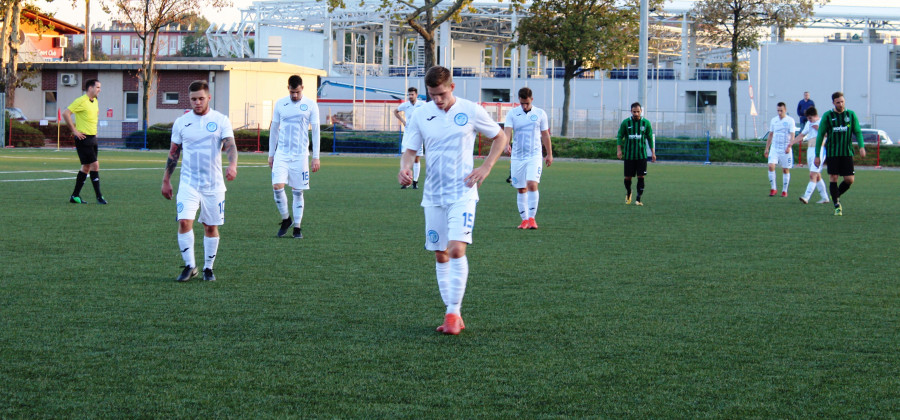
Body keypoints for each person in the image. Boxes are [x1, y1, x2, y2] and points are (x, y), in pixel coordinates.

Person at [397, 66, 509, 335]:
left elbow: (500, 137)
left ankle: (452, 313)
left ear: (452, 87)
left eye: (442, 94)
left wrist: (486, 167)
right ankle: (452, 312)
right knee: (441, 253)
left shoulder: (471, 110)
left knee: (457, 249)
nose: (437, 99)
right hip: (433, 195)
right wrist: (405, 168)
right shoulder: (421, 114)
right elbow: (410, 150)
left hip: (463, 192)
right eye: (432, 94)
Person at [161, 80, 238, 282]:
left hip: (213, 184)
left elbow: (230, 145)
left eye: (201, 98)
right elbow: (173, 153)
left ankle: (208, 268)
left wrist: (232, 165)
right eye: (193, 99)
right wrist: (166, 180)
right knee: (184, 221)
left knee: (210, 227)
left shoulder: (221, 120)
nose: (197, 102)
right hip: (189, 182)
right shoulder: (181, 122)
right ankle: (190, 266)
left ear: (209, 98)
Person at [269, 75, 321, 239]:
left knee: (298, 191)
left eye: (297, 92)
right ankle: (286, 219)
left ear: (302, 88)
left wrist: (316, 157)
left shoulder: (311, 105)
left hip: (300, 155)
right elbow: (274, 129)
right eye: (292, 92)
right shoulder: (280, 104)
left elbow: (316, 131)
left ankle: (297, 226)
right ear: (288, 89)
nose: (295, 95)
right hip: (282, 153)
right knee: (277, 186)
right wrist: (271, 154)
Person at [504, 87, 552, 229]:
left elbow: (545, 134)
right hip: (517, 156)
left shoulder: (540, 113)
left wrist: (549, 153)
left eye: (527, 103)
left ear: (532, 99)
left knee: (532, 183)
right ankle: (524, 220)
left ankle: (532, 218)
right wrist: (506, 144)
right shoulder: (512, 113)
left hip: (534, 155)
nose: (524, 106)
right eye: (522, 103)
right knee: (521, 188)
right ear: (519, 100)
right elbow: (507, 131)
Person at [814, 91, 866, 216]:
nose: (841, 104)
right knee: (834, 177)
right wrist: (817, 155)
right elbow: (820, 135)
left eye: (842, 101)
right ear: (833, 103)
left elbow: (858, 132)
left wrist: (861, 147)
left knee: (849, 180)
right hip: (833, 153)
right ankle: (837, 205)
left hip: (847, 152)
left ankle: (835, 195)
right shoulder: (828, 116)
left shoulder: (851, 115)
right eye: (838, 102)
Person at [63, 79, 106, 204]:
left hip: (92, 138)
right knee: (95, 165)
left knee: (86, 167)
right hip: (83, 139)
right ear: (90, 88)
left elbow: (93, 116)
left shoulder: (95, 101)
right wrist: (74, 131)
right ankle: (99, 197)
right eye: (98, 87)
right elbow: (66, 113)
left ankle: (75, 196)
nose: (99, 90)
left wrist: (94, 131)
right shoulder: (81, 100)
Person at [786, 107, 829, 204]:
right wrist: (791, 143)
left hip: (819, 151)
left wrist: (819, 129)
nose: (809, 120)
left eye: (810, 118)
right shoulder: (809, 123)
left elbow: (828, 134)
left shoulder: (822, 121)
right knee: (817, 175)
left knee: (812, 174)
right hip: (810, 150)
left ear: (815, 115)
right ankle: (825, 197)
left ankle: (806, 196)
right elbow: (802, 135)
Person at [616, 102, 656, 206]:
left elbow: (650, 138)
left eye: (638, 111)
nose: (636, 114)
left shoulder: (646, 123)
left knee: (641, 176)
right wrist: (619, 150)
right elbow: (620, 136)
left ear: (641, 111)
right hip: (629, 155)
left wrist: (653, 153)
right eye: (634, 112)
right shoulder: (626, 123)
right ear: (631, 111)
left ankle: (638, 199)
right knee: (627, 178)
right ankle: (629, 192)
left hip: (641, 155)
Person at [394, 87, 425, 189]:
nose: (410, 96)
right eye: (409, 94)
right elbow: (395, 111)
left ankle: (415, 181)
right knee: (405, 156)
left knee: (416, 158)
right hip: (408, 133)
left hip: (418, 133)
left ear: (416, 95)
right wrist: (403, 121)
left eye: (412, 94)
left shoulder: (422, 104)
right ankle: (406, 182)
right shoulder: (405, 105)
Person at [764, 102, 795, 197]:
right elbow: (771, 134)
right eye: (778, 110)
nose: (779, 112)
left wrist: (789, 146)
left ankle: (784, 190)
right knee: (771, 166)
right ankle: (773, 188)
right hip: (775, 147)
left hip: (785, 147)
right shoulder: (774, 120)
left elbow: (792, 135)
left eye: (781, 110)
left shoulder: (790, 120)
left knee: (785, 169)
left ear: (785, 110)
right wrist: (767, 148)